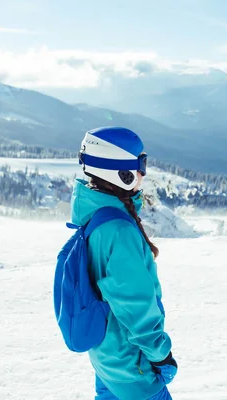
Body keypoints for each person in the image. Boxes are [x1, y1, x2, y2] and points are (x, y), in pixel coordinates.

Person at [72, 127, 177, 400]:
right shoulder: (119, 230)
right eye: (140, 164)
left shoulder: (94, 211)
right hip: (131, 363)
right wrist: (160, 354)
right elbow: (134, 302)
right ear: (120, 171)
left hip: (107, 356)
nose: (143, 173)